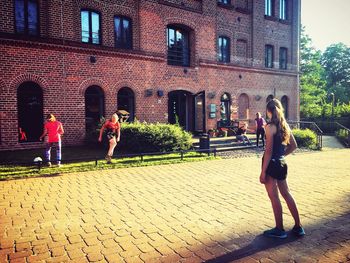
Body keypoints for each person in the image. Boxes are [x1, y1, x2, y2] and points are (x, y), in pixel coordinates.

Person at [260, 98, 305, 239]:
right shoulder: (284, 125)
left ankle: (279, 229)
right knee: (287, 194)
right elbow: (294, 145)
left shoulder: (269, 127)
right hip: (281, 163)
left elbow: (268, 151)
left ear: (268, 111)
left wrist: (263, 172)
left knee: (274, 197)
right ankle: (298, 227)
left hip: (271, 165)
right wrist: (281, 155)